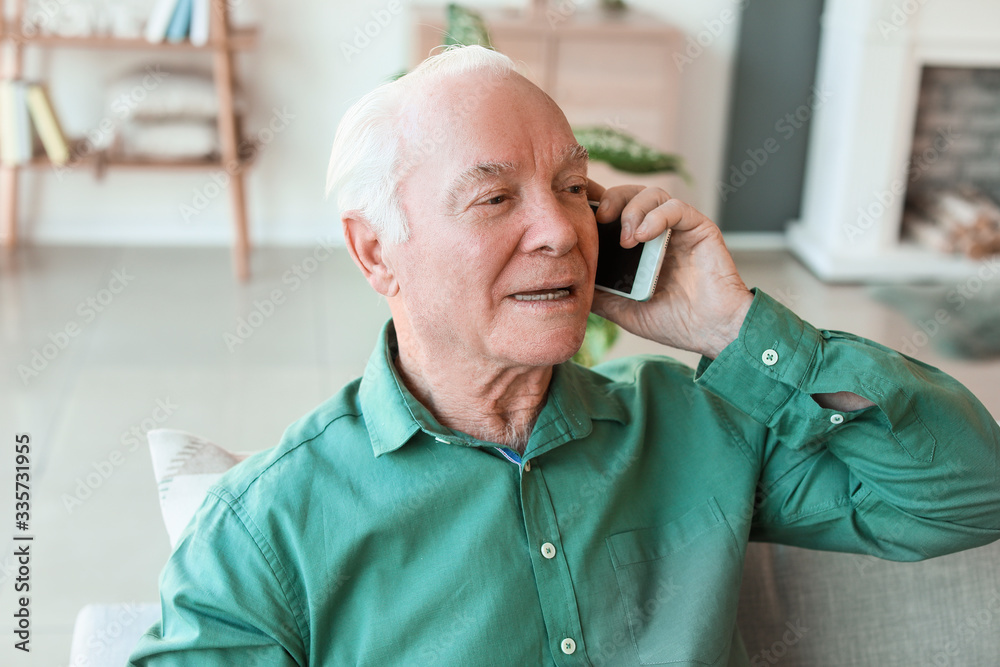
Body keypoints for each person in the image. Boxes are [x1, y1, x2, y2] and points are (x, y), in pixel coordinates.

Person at [129, 45, 1000, 666]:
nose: (558, 231)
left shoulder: (698, 424)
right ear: (375, 253)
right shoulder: (266, 527)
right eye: (496, 196)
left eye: (574, 189)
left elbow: (968, 495)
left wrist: (737, 330)